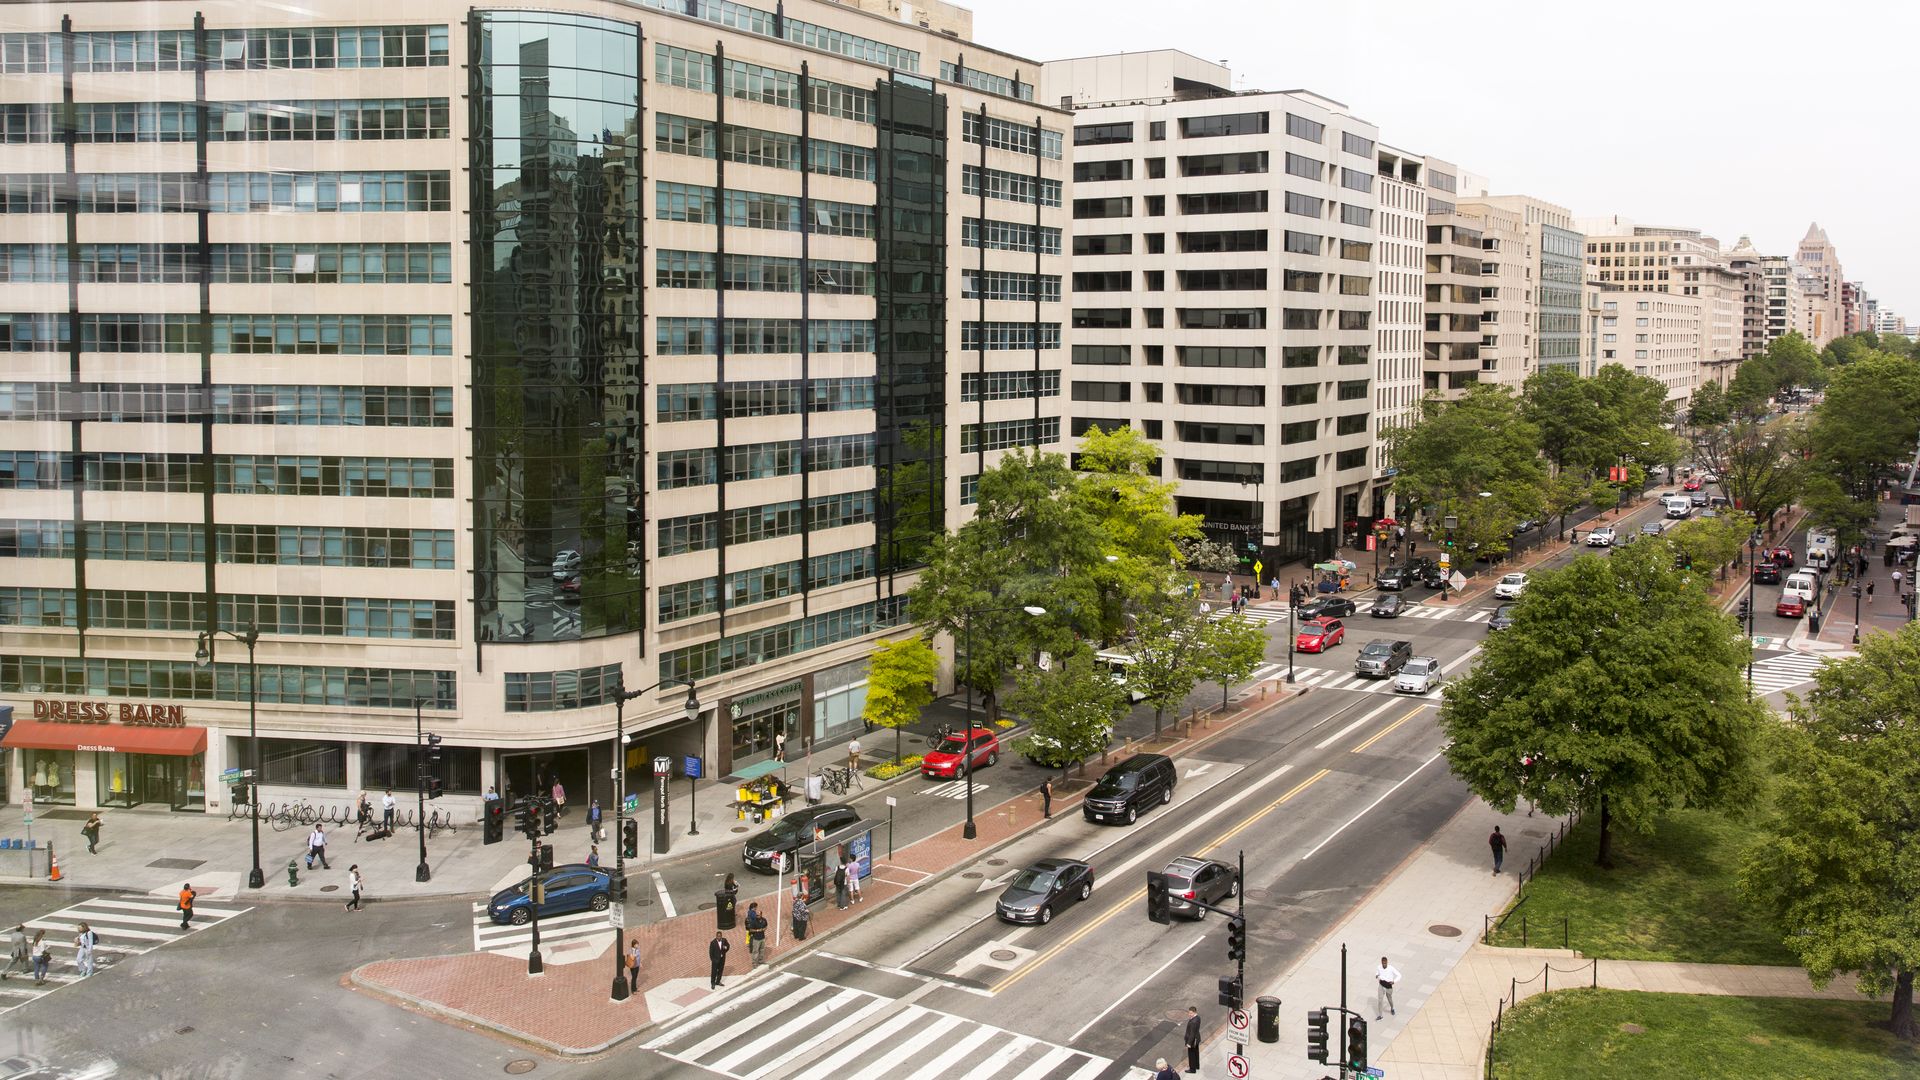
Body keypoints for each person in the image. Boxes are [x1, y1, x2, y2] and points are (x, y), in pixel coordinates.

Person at [1183, 1005, 1201, 1073]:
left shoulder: (1193, 1021)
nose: (1189, 1014)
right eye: (1189, 1012)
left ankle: (1192, 1069)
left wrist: (1189, 1043)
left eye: (1190, 1013)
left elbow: (1192, 1033)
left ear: (1194, 1012)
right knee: (1196, 1053)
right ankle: (1196, 1066)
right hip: (1197, 1039)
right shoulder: (1198, 1018)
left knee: (1191, 1055)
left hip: (1192, 1041)